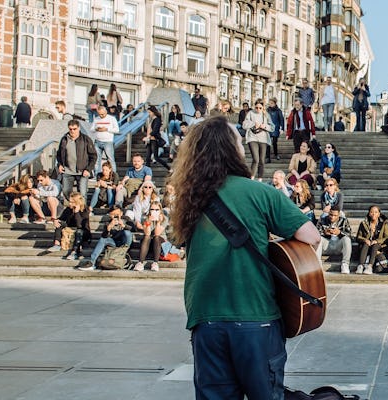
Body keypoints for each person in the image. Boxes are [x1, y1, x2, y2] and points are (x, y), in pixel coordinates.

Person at [169, 116, 320, 399]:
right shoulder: (260, 193)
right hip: (255, 317)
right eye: (238, 140)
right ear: (230, 149)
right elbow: (311, 236)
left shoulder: (188, 199)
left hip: (206, 319)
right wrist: (271, 243)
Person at [76, 206, 132, 271]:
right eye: (113, 215)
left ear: (121, 213)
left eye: (117, 214)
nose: (115, 217)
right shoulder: (108, 222)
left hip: (125, 242)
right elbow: (104, 236)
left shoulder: (126, 219)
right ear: (110, 215)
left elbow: (133, 229)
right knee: (103, 239)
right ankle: (92, 262)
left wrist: (123, 225)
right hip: (114, 242)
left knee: (127, 232)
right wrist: (109, 227)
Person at [56, 119, 97, 200]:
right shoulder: (64, 139)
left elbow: (93, 156)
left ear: (79, 128)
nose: (72, 131)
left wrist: (88, 169)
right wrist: (60, 164)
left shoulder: (86, 139)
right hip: (67, 170)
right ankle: (73, 208)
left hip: (82, 171)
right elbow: (59, 154)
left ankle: (82, 211)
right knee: (66, 191)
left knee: (82, 193)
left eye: (74, 129)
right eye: (70, 129)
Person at [47, 192, 92, 260]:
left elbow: (80, 225)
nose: (70, 204)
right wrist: (56, 221)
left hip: (83, 231)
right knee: (60, 223)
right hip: (71, 227)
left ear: (77, 202)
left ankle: (75, 252)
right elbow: (62, 219)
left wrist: (76, 213)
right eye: (69, 202)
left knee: (79, 231)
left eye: (72, 202)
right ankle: (57, 244)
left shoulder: (85, 210)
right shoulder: (69, 209)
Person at [132, 200, 168, 272]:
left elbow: (157, 233)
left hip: (160, 241)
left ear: (160, 210)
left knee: (156, 237)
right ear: (149, 210)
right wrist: (148, 222)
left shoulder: (164, 219)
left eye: (157, 210)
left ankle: (155, 263)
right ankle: (140, 263)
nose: (154, 211)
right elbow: (147, 233)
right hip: (149, 241)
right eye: (152, 209)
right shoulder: (145, 218)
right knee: (147, 237)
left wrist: (158, 222)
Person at [355, 205, 388, 274]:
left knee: (375, 245)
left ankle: (370, 266)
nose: (373, 214)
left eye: (376, 212)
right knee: (366, 244)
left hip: (378, 246)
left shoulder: (383, 224)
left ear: (379, 214)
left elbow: (386, 237)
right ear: (369, 213)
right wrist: (365, 240)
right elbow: (358, 237)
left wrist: (377, 241)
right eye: (371, 212)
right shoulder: (364, 223)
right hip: (365, 246)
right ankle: (360, 266)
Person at [243, 100, 273, 179]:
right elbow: (244, 125)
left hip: (263, 139)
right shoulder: (250, 113)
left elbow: (272, 127)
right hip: (252, 137)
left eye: (260, 108)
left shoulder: (266, 115)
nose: (258, 109)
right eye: (256, 107)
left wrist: (264, 126)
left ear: (263, 108)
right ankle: (251, 178)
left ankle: (260, 179)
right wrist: (253, 123)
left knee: (262, 161)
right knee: (256, 159)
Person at [317, 208, 353, 274]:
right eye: (331, 215)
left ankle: (345, 264)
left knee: (347, 239)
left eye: (335, 215)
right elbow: (315, 233)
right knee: (319, 238)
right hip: (326, 246)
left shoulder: (344, 221)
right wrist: (324, 233)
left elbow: (350, 234)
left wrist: (339, 233)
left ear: (339, 215)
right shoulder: (323, 220)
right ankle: (318, 264)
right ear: (328, 213)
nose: (332, 217)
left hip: (338, 246)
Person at [92, 104, 119, 174]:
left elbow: (117, 130)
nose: (101, 116)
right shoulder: (96, 119)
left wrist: (107, 129)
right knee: (97, 159)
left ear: (106, 112)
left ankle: (113, 175)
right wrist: (96, 129)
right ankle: (96, 175)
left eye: (103, 114)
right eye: (100, 114)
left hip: (108, 141)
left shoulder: (112, 118)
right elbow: (91, 129)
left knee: (110, 159)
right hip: (97, 141)